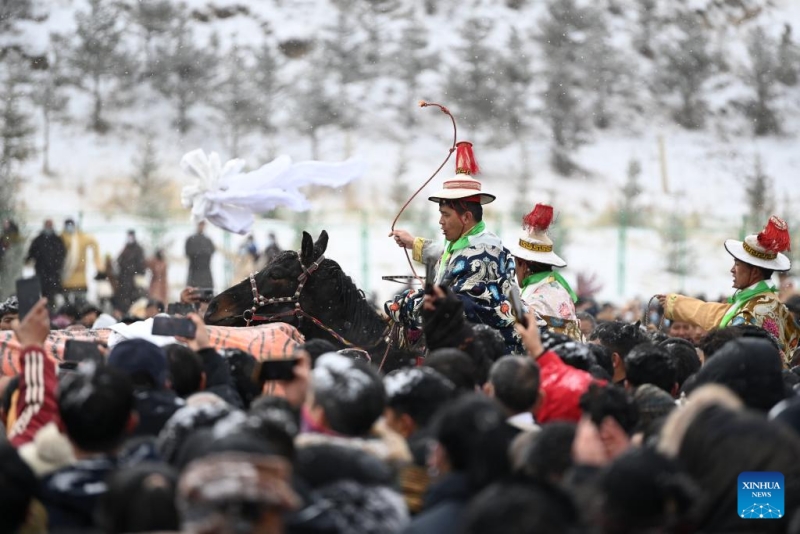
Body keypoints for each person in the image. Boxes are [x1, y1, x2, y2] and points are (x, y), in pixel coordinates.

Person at [387, 141, 518, 352]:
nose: (440, 221)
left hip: (483, 354)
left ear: (466, 217)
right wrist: (413, 243)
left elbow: (452, 307)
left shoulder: (483, 254)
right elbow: (448, 254)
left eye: (446, 215)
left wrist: (401, 305)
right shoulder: (471, 243)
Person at [658, 216, 800, 359]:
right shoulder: (766, 302)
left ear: (755, 272)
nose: (732, 270)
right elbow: (715, 314)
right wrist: (674, 304)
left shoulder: (752, 312)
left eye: (737, 264)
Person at [508, 203, 581, 341]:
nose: (515, 271)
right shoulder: (560, 289)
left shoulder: (533, 302)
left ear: (523, 265)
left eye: (516, 264)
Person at [25, 219, 67, 307]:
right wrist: (29, 259)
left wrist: (58, 264)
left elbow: (62, 253)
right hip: (41, 271)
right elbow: (32, 252)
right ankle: (45, 307)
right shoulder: (38, 240)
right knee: (43, 292)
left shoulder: (57, 240)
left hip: (53, 272)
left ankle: (51, 307)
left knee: (52, 292)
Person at [60, 217, 102, 304]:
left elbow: (94, 243)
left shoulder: (81, 238)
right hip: (66, 277)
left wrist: (98, 263)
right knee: (68, 305)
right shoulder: (61, 238)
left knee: (79, 304)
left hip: (80, 278)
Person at [115, 230, 147, 313]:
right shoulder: (126, 248)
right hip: (124, 279)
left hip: (133, 280)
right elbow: (119, 261)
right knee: (124, 299)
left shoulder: (138, 249)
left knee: (135, 299)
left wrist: (135, 271)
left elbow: (141, 265)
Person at [185, 221, 215, 290]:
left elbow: (211, 252)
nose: (201, 227)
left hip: (205, 275)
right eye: (200, 224)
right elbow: (189, 253)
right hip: (195, 274)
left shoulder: (207, 240)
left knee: (206, 292)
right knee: (194, 293)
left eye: (202, 224)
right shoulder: (191, 239)